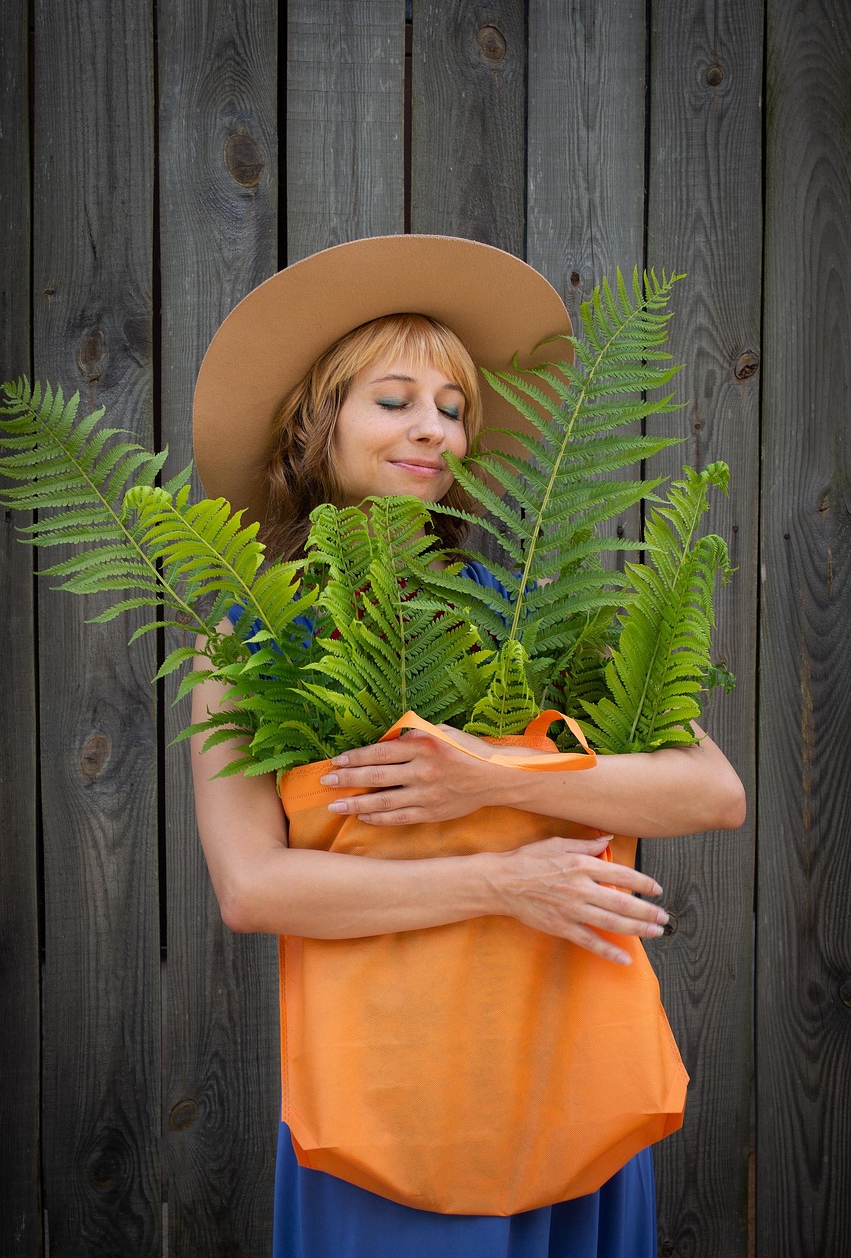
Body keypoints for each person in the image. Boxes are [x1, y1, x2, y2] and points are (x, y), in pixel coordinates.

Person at [190, 235, 746, 1258]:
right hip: (391, 1095)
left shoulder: (531, 609)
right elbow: (251, 886)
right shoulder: (253, 632)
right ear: (316, 423)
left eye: (453, 409)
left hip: (571, 1063)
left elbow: (711, 789)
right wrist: (503, 880)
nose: (432, 431)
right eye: (393, 399)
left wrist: (487, 771)